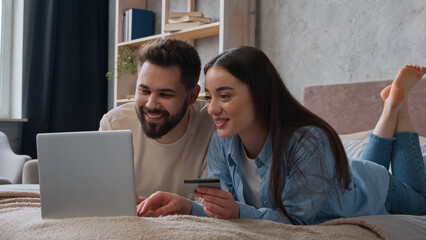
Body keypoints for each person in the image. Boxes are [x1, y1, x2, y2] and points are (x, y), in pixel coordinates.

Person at [136, 46, 426, 224]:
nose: (212, 109)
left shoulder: (308, 141)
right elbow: (227, 212)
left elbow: (297, 220)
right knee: (370, 167)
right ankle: (393, 105)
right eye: (210, 97)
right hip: (349, 176)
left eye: (224, 96)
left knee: (422, 204)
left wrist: (237, 212)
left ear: (260, 95)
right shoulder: (221, 144)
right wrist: (187, 206)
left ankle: (398, 108)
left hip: (376, 190)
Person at [99, 38, 215, 200]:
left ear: (192, 96)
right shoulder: (114, 124)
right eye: (144, 91)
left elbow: (208, 207)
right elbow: (103, 198)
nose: (151, 104)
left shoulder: (212, 125)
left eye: (165, 94)